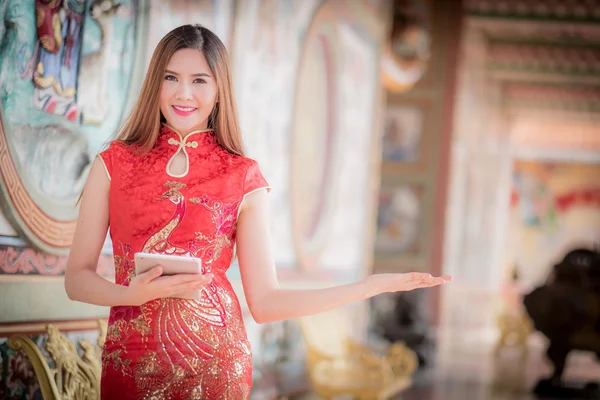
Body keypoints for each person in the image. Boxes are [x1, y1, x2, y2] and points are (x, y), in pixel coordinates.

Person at [64, 24, 451, 400]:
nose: (183, 93)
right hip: (130, 363)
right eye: (171, 77)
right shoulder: (114, 162)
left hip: (217, 367)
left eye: (199, 80)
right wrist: (131, 295)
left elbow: (265, 303)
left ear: (218, 91)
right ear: (155, 84)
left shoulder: (242, 175)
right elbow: (76, 279)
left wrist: (369, 287)